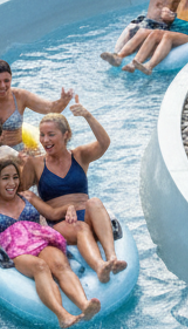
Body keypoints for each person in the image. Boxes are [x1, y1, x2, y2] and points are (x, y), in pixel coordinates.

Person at [0, 158, 100, 329]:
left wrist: (69, 208)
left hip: (40, 240)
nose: (12, 182)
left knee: (60, 265)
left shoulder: (27, 196)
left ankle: (84, 305)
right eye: (5, 178)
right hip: (17, 251)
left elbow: (51, 213)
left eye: (15, 177)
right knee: (40, 267)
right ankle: (63, 315)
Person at [23, 101, 127, 282]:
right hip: (61, 221)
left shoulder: (79, 155)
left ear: (66, 135)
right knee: (81, 227)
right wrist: (22, 164)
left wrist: (88, 116)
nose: (45, 140)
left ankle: (112, 258)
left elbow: (104, 143)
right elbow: (21, 192)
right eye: (42, 135)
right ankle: (99, 267)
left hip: (86, 213)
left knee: (94, 202)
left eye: (51, 135)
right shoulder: (36, 164)